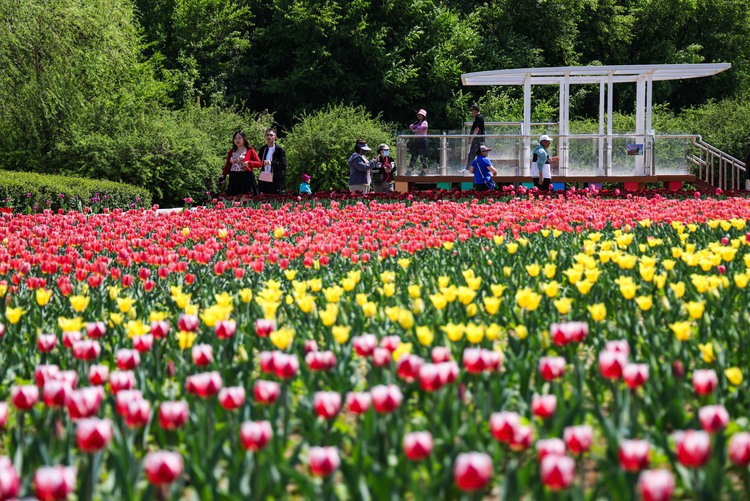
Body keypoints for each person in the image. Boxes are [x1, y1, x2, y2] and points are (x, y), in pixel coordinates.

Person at [220, 130, 262, 197]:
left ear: (244, 139)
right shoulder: (231, 151)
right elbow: (227, 166)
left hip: (245, 177)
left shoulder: (250, 150)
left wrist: (249, 163)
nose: (237, 140)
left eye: (239, 138)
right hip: (234, 177)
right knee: (233, 199)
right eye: (235, 138)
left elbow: (259, 164)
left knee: (245, 199)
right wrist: (223, 175)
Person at [257, 127, 287, 195]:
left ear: (275, 137)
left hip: (275, 178)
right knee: (262, 197)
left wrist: (271, 163)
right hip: (264, 177)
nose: (269, 137)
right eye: (267, 135)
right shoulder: (263, 149)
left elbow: (283, 164)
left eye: (271, 135)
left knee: (274, 199)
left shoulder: (280, 150)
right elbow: (258, 161)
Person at [407, 109, 429, 176]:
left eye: (421, 115)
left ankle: (424, 171)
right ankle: (409, 170)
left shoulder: (425, 122)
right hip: (416, 141)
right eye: (418, 115)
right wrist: (416, 127)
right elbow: (410, 126)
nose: (419, 116)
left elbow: (422, 127)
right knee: (414, 156)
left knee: (422, 157)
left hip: (422, 141)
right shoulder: (416, 122)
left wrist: (415, 128)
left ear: (423, 116)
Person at [465, 103, 485, 171]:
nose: (471, 112)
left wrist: (471, 139)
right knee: (477, 155)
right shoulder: (479, 117)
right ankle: (474, 169)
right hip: (478, 140)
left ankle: (468, 169)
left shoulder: (478, 117)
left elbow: (477, 129)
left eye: (472, 110)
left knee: (472, 154)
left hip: (477, 140)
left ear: (475, 110)